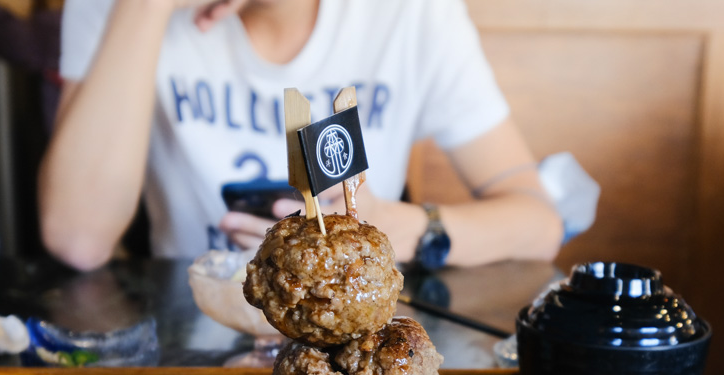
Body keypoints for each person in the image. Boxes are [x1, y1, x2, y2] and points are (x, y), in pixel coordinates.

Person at [38, 0, 564, 272]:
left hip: (354, 329)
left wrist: (406, 228)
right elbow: (77, 238)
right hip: (196, 330)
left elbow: (538, 223)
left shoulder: (410, 13)